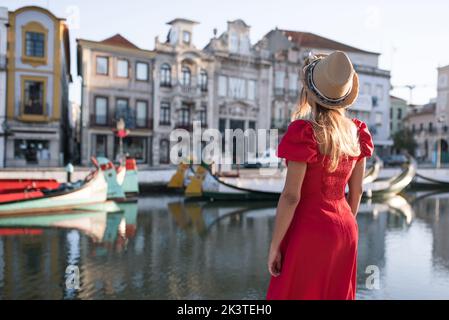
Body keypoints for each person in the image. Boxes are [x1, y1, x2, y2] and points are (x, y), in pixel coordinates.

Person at [266, 51, 374, 300]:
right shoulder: (357, 132)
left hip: (309, 229)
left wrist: (274, 246)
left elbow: (291, 196)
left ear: (309, 91)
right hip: (346, 229)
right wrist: (343, 224)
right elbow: (356, 192)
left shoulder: (304, 132)